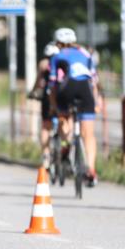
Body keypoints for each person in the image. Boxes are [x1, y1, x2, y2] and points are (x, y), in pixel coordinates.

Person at [48, 27, 99, 187]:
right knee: (88, 134)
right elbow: (94, 82)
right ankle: (91, 169)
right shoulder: (86, 54)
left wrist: (54, 107)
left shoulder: (57, 56)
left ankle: (66, 145)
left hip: (68, 88)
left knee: (64, 116)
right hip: (86, 90)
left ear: (58, 43)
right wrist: (95, 103)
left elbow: (53, 85)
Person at [30, 42, 61, 166]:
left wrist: (33, 92)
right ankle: (65, 149)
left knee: (45, 126)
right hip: (61, 96)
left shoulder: (44, 64)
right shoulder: (63, 61)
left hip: (48, 97)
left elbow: (38, 82)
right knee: (64, 120)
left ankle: (46, 156)